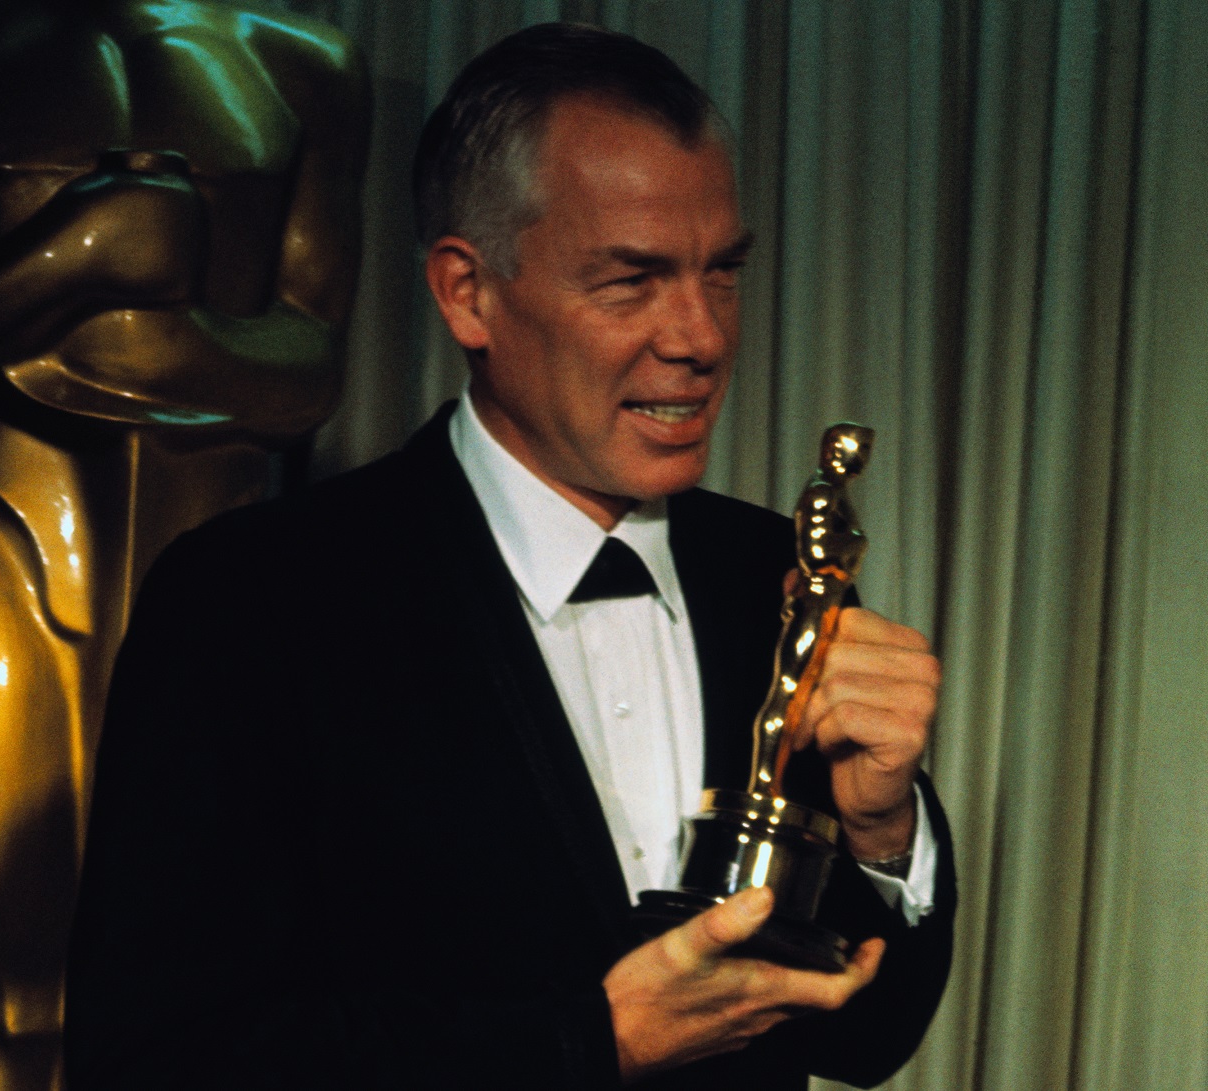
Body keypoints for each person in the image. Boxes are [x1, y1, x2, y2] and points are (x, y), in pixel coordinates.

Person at [65, 22, 954, 1089]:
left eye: (721, 272)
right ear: (467, 292)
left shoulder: (769, 572)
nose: (702, 337)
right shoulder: (252, 599)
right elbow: (156, 1059)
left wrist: (882, 828)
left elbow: (862, 1038)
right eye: (631, 280)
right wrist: (591, 1040)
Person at [0, 3, 367, 1087]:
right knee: (10, 991)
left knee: (211, 998)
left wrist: (138, 339)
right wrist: (75, 255)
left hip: (221, 573)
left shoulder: (303, 60)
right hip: (10, 538)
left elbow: (309, 370)